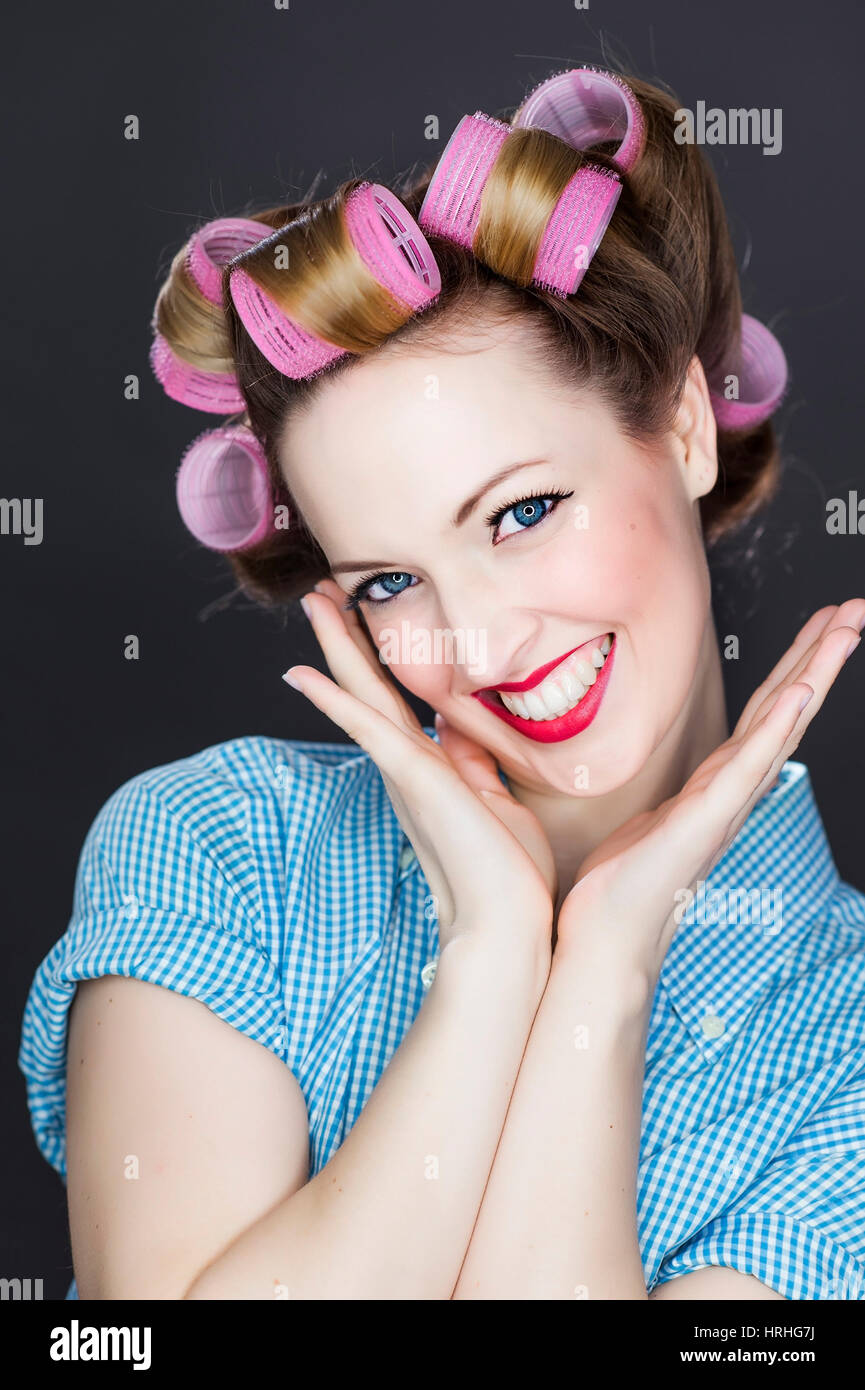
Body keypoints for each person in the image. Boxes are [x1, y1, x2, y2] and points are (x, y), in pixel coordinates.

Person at [18, 64, 865, 1301]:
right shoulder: (216, 850)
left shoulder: (847, 1041)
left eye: (521, 511)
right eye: (388, 583)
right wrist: (493, 960)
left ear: (683, 423)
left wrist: (603, 977)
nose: (476, 645)